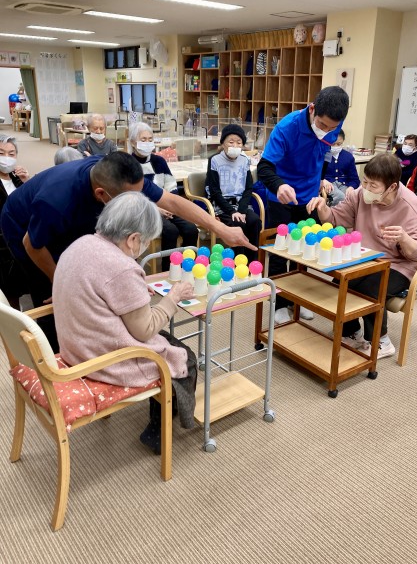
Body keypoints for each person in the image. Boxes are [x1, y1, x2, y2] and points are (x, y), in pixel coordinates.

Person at [1, 151, 255, 349]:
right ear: (102, 194)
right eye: (130, 199)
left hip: (70, 219)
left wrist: (220, 228)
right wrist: (59, 280)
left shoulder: (120, 176)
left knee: (89, 270)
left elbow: (172, 201)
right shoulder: (56, 202)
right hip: (23, 229)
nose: (136, 201)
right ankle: (55, 360)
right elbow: (31, 244)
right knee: (54, 296)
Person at [52, 192, 197, 454]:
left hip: (74, 343)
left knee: (166, 339)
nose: (146, 246)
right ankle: (159, 429)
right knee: (184, 357)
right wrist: (173, 297)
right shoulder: (122, 267)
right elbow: (144, 330)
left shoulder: (81, 243)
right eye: (147, 241)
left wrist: (135, 291)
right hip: (100, 357)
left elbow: (100, 289)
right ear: (133, 239)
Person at [307, 154, 417, 359]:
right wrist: (323, 207)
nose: (366, 188)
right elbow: (335, 219)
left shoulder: (409, 204)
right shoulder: (359, 194)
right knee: (340, 282)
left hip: (400, 264)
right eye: (365, 181)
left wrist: (404, 238)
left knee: (371, 290)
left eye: (373, 185)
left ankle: (381, 341)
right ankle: (352, 333)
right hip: (366, 258)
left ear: (391, 187)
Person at [258, 85, 349, 324]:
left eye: (331, 128)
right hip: (282, 195)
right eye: (322, 125)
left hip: (309, 196)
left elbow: (325, 153)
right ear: (312, 109)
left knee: (306, 249)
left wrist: (321, 178)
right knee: (281, 250)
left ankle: (297, 300)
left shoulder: (334, 123)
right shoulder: (287, 128)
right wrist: (279, 185)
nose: (326, 130)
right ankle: (279, 302)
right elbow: (264, 168)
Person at [129, 122, 198, 271]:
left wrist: (171, 204)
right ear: (133, 142)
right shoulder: (128, 164)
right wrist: (156, 208)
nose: (147, 143)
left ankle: (187, 267)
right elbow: (132, 196)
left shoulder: (159, 161)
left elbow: (171, 185)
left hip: (167, 206)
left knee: (191, 229)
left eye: (150, 139)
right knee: (171, 231)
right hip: (145, 211)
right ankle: (169, 270)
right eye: (143, 139)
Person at [206, 123, 262, 262]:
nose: (235, 145)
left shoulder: (244, 160)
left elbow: (248, 188)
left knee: (255, 221)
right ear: (223, 143)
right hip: (223, 206)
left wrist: (241, 210)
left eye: (239, 142)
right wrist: (232, 211)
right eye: (231, 142)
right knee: (239, 224)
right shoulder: (214, 160)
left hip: (241, 205)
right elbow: (214, 191)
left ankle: (252, 262)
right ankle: (239, 264)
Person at [0, 135, 30, 309]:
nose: (6, 157)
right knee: (10, 292)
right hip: (4, 245)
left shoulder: (18, 178)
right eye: (1, 153)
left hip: (23, 238)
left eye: (11, 154)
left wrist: (27, 183)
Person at [323, 129, 360, 206]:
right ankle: (333, 213)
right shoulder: (323, 154)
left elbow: (355, 179)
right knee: (340, 197)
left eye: (339, 144)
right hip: (328, 184)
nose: (336, 147)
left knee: (352, 198)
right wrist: (323, 180)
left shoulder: (348, 157)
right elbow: (315, 174)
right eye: (333, 144)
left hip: (344, 184)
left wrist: (351, 187)